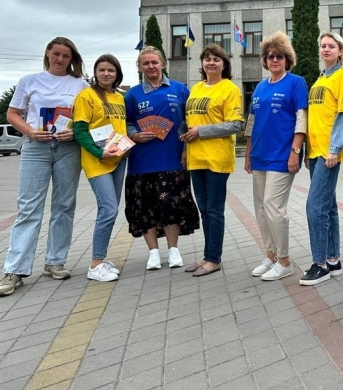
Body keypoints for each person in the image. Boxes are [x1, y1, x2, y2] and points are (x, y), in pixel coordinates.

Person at [0, 37, 88, 297]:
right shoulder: (29, 81)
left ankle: (55, 261)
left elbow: (87, 116)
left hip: (68, 148)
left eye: (65, 56)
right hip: (36, 148)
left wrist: (76, 133)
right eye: (56, 54)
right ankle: (15, 269)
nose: (60, 59)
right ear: (47, 54)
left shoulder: (80, 84)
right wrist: (30, 132)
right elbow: (13, 114)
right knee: (28, 208)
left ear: (72, 59)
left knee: (64, 205)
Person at [124, 46, 199, 271]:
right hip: (142, 161)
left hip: (173, 158)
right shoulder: (133, 94)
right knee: (146, 207)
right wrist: (134, 134)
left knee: (171, 205)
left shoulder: (180, 89)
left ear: (162, 64)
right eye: (145, 63)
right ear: (139, 67)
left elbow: (189, 120)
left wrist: (186, 148)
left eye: (154, 62)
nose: (150, 67)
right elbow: (125, 123)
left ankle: (173, 249)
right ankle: (153, 253)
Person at [244, 32, 308, 281]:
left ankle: (285, 260)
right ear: (265, 59)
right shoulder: (260, 87)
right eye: (270, 56)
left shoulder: (295, 82)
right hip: (259, 155)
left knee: (273, 207)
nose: (274, 60)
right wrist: (248, 153)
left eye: (279, 56)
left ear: (287, 59)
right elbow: (252, 122)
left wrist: (295, 151)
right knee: (260, 209)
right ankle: (270, 255)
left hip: (282, 155)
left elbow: (302, 118)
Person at [180, 43, 244, 277]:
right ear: (202, 63)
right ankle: (208, 255)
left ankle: (214, 258)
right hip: (196, 157)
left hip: (217, 158)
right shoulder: (195, 89)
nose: (211, 62)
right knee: (204, 209)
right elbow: (188, 121)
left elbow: (236, 124)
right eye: (207, 59)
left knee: (215, 210)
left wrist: (201, 131)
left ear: (224, 64)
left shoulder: (230, 89)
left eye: (216, 59)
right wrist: (186, 146)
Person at [300, 31, 343, 286]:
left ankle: (319, 263)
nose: (325, 49)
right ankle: (333, 260)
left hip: (328, 153)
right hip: (315, 152)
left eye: (331, 46)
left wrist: (334, 149)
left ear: (340, 51)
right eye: (322, 46)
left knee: (314, 208)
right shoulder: (321, 77)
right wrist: (307, 152)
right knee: (328, 206)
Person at [73, 54, 128, 282]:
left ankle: (102, 258)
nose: (106, 74)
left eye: (111, 70)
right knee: (109, 210)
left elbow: (121, 127)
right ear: (95, 72)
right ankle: (95, 264)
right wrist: (99, 152)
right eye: (102, 70)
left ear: (117, 74)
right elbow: (80, 131)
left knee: (111, 209)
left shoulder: (119, 97)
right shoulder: (87, 96)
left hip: (119, 159)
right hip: (97, 161)